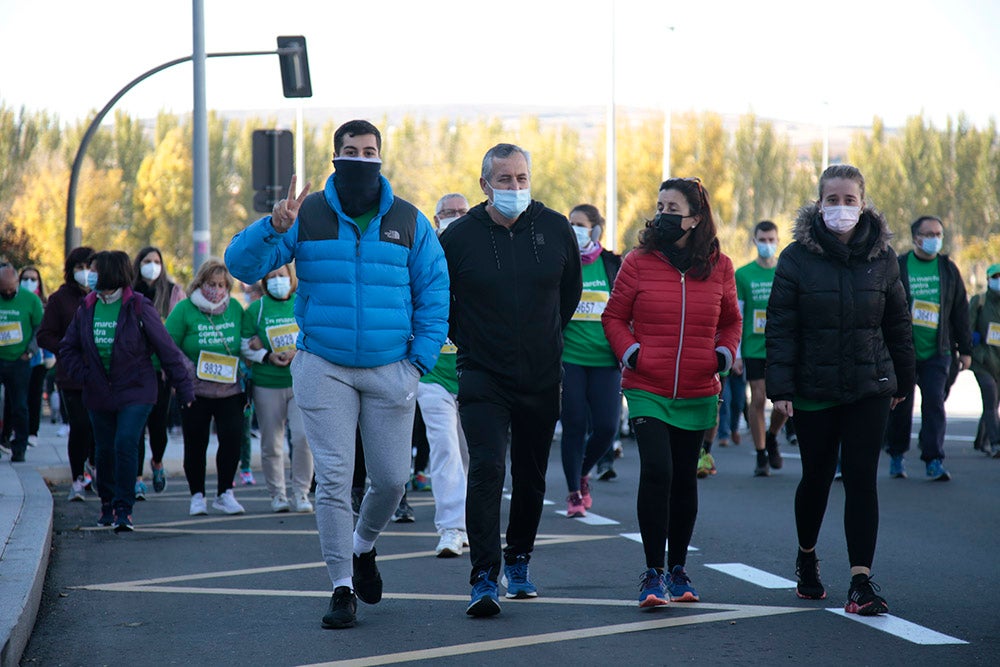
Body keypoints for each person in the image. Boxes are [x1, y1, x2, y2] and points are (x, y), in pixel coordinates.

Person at [225, 119, 450, 630]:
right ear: (335, 156)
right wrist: (272, 227)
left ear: (380, 156)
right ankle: (341, 586)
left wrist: (420, 359)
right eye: (351, 149)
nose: (361, 157)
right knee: (332, 480)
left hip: (392, 366)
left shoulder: (410, 221)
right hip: (323, 365)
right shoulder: (306, 215)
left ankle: (363, 545)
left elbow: (435, 293)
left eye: (369, 150)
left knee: (392, 480)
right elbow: (239, 264)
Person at [440, 143, 582, 617]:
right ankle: (483, 576)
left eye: (522, 178)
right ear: (485, 185)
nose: (515, 188)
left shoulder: (556, 227)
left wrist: (544, 343)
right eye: (505, 180)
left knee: (531, 475)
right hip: (482, 374)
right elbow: (444, 305)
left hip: (541, 374)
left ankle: (518, 560)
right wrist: (472, 345)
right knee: (486, 470)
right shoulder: (458, 238)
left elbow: (568, 295)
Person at [766, 164, 914, 616]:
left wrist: (903, 380)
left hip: (870, 386)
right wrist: (781, 387)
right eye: (833, 200)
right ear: (819, 203)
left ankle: (860, 581)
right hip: (814, 389)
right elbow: (781, 328)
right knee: (816, 478)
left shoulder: (884, 258)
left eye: (850, 200)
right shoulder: (795, 258)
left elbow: (898, 324)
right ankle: (807, 557)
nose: (842, 208)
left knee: (861, 479)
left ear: (863, 204)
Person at [602, 177, 741, 608]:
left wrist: (723, 354)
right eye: (660, 205)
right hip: (647, 386)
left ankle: (678, 570)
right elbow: (613, 317)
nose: (663, 214)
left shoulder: (720, 266)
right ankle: (652, 573)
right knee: (657, 471)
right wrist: (632, 353)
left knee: (684, 477)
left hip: (699, 387)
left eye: (673, 207)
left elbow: (731, 321)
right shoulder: (637, 262)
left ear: (696, 218)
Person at [58, 251, 194, 531]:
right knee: (104, 451)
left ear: (110, 272)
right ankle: (107, 505)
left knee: (125, 443)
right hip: (99, 392)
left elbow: (167, 349)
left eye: (94, 270)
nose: (90, 275)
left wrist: (184, 388)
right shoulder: (87, 306)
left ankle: (124, 509)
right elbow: (68, 348)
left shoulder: (139, 306)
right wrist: (84, 375)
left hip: (136, 390)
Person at [884, 216, 972, 481]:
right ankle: (897, 456)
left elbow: (960, 311)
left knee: (934, 403)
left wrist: (965, 349)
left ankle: (933, 458)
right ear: (916, 238)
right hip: (903, 352)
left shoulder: (947, 269)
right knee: (900, 405)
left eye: (938, 233)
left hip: (938, 351)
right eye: (929, 233)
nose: (935, 238)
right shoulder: (899, 266)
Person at [165, 258, 249, 517]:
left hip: (230, 390)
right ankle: (197, 496)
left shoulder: (234, 308)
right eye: (211, 284)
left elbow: (245, 342)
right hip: (195, 391)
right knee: (196, 443)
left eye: (222, 285)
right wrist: (186, 370)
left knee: (232, 441)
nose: (217, 289)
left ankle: (225, 493)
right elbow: (168, 345)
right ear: (200, 283)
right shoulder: (185, 310)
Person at [417, 192, 471, 556]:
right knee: (445, 449)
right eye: (447, 213)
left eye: (461, 212)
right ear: (435, 220)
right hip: (433, 375)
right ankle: (451, 527)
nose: (454, 217)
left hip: (476, 372)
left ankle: (469, 522)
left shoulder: (484, 254)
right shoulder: (422, 257)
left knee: (470, 453)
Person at [560, 204, 622, 517]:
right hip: (569, 358)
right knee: (572, 425)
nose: (574, 228)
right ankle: (573, 492)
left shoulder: (612, 263)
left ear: (595, 229)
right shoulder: (562, 262)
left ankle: (583, 471)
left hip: (605, 360)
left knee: (607, 427)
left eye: (580, 224)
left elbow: (625, 309)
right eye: (570, 223)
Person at [240, 263, 314, 513]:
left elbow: (314, 336)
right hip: (267, 384)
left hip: (300, 383)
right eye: (271, 277)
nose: (277, 280)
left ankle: (302, 492)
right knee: (272, 443)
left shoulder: (302, 303)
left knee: (303, 438)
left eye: (281, 275)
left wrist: (297, 352)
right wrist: (267, 355)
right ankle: (278, 495)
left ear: (291, 277)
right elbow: (244, 345)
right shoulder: (255, 310)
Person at [38, 247, 97, 495]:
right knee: (80, 424)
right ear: (71, 271)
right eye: (79, 268)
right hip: (71, 375)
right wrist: (67, 349)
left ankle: (94, 468)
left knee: (98, 426)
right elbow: (44, 335)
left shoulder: (104, 296)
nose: (85, 273)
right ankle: (77, 477)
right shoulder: (59, 299)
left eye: (89, 268)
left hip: (101, 374)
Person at [734, 220, 789, 476]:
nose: (767, 244)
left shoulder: (786, 271)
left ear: (778, 241)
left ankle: (773, 435)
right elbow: (738, 314)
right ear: (754, 241)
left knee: (784, 404)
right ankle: (760, 455)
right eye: (762, 240)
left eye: (771, 240)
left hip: (782, 347)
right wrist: (735, 353)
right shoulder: (743, 275)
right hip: (754, 347)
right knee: (757, 398)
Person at [132, 246, 186, 496]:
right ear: (138, 264)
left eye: (156, 261)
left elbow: (181, 331)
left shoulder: (173, 292)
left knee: (158, 425)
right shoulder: (129, 293)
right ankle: (137, 476)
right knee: (136, 424)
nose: (152, 265)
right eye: (147, 260)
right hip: (136, 370)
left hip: (162, 371)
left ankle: (157, 462)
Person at [0, 266, 53, 447]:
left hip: (20, 360)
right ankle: (3, 437)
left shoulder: (31, 300)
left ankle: (20, 444)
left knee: (20, 404)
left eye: (11, 289)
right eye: (3, 289)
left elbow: (40, 327)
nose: (8, 292)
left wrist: (30, 350)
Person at [969, 263, 1000, 457]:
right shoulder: (979, 301)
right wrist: (973, 345)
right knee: (990, 399)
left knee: (993, 403)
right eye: (995, 277)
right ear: (988, 280)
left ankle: (981, 441)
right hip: (983, 362)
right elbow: (966, 328)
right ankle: (996, 443)